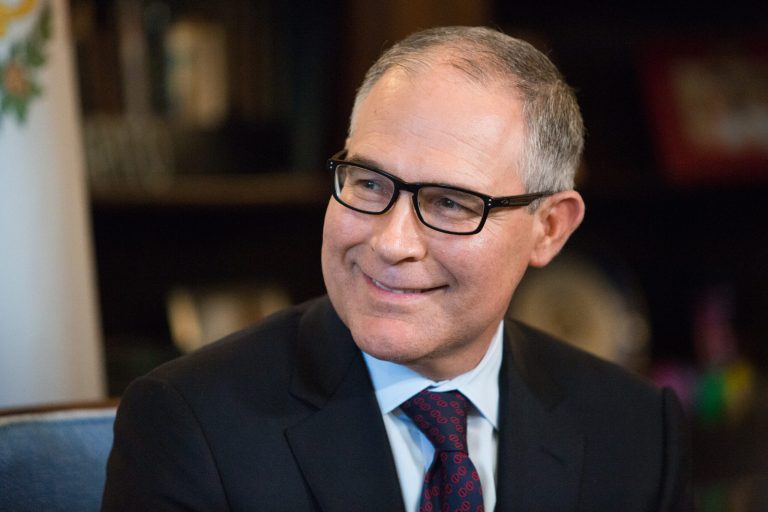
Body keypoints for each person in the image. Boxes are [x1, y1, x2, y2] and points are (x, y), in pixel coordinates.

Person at [102, 26, 690, 511]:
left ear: (550, 228)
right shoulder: (189, 424)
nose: (392, 241)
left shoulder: (637, 430)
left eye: (451, 203)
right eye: (368, 182)